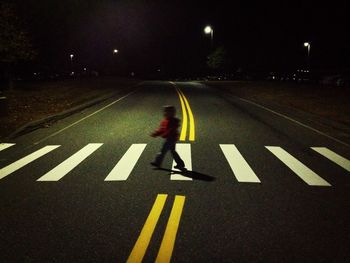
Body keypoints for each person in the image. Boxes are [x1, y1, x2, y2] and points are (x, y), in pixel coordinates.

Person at [150, 105, 186, 170]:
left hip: (171, 138)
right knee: (173, 151)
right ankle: (180, 163)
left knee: (163, 150)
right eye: (165, 112)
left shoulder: (173, 121)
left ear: (172, 113)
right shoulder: (165, 121)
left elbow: (170, 130)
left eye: (167, 112)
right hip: (170, 138)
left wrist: (164, 134)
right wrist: (155, 134)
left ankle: (157, 162)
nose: (165, 113)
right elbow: (161, 129)